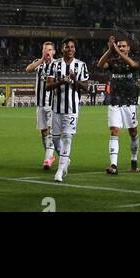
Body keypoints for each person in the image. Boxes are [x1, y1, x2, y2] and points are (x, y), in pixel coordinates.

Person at [46, 38, 90, 183]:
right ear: (62, 49)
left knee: (67, 138)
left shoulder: (81, 65)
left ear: (75, 49)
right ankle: (66, 159)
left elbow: (85, 87)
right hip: (56, 107)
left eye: (72, 47)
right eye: (67, 47)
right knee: (54, 138)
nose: (70, 49)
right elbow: (48, 86)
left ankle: (60, 171)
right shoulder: (54, 64)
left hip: (72, 109)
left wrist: (73, 81)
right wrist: (62, 82)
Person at [97, 35, 140, 174]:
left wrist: (118, 51)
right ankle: (114, 166)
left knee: (133, 132)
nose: (121, 48)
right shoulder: (113, 63)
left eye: (123, 46)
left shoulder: (133, 61)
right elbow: (100, 65)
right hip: (115, 102)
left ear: (128, 48)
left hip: (130, 103)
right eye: (119, 45)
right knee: (114, 131)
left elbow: (134, 66)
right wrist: (110, 50)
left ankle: (134, 160)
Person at [23, 42, 59, 170]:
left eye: (50, 50)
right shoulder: (39, 64)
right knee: (43, 132)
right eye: (45, 50)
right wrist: (41, 60)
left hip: (52, 104)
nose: (47, 52)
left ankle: (48, 159)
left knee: (50, 131)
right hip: (40, 104)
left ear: (54, 52)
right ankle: (50, 155)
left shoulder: (57, 65)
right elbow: (28, 69)